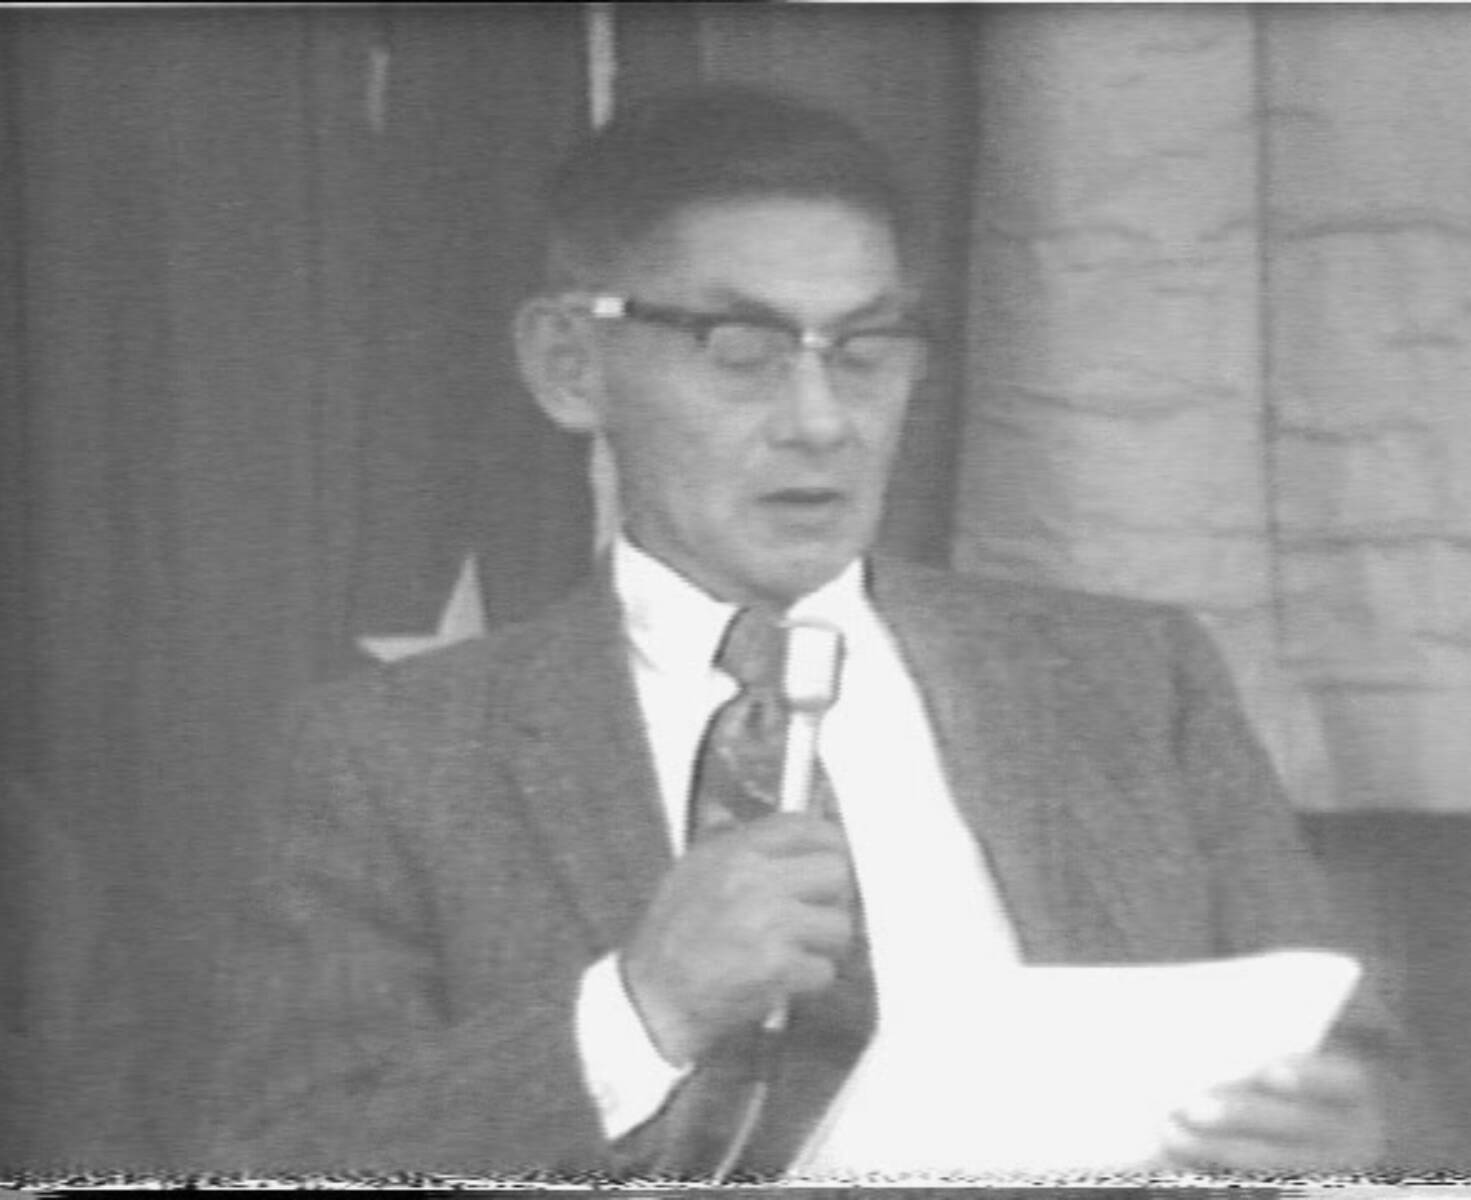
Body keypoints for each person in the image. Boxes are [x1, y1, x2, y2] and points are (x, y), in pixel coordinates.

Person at [207, 84, 1409, 1181]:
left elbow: (1352, 1058)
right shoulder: (392, 758)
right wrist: (639, 1012)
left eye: (868, 349)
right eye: (743, 351)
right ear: (572, 364)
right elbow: (290, 1162)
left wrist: (1348, 1138)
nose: (822, 420)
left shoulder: (1135, 682)